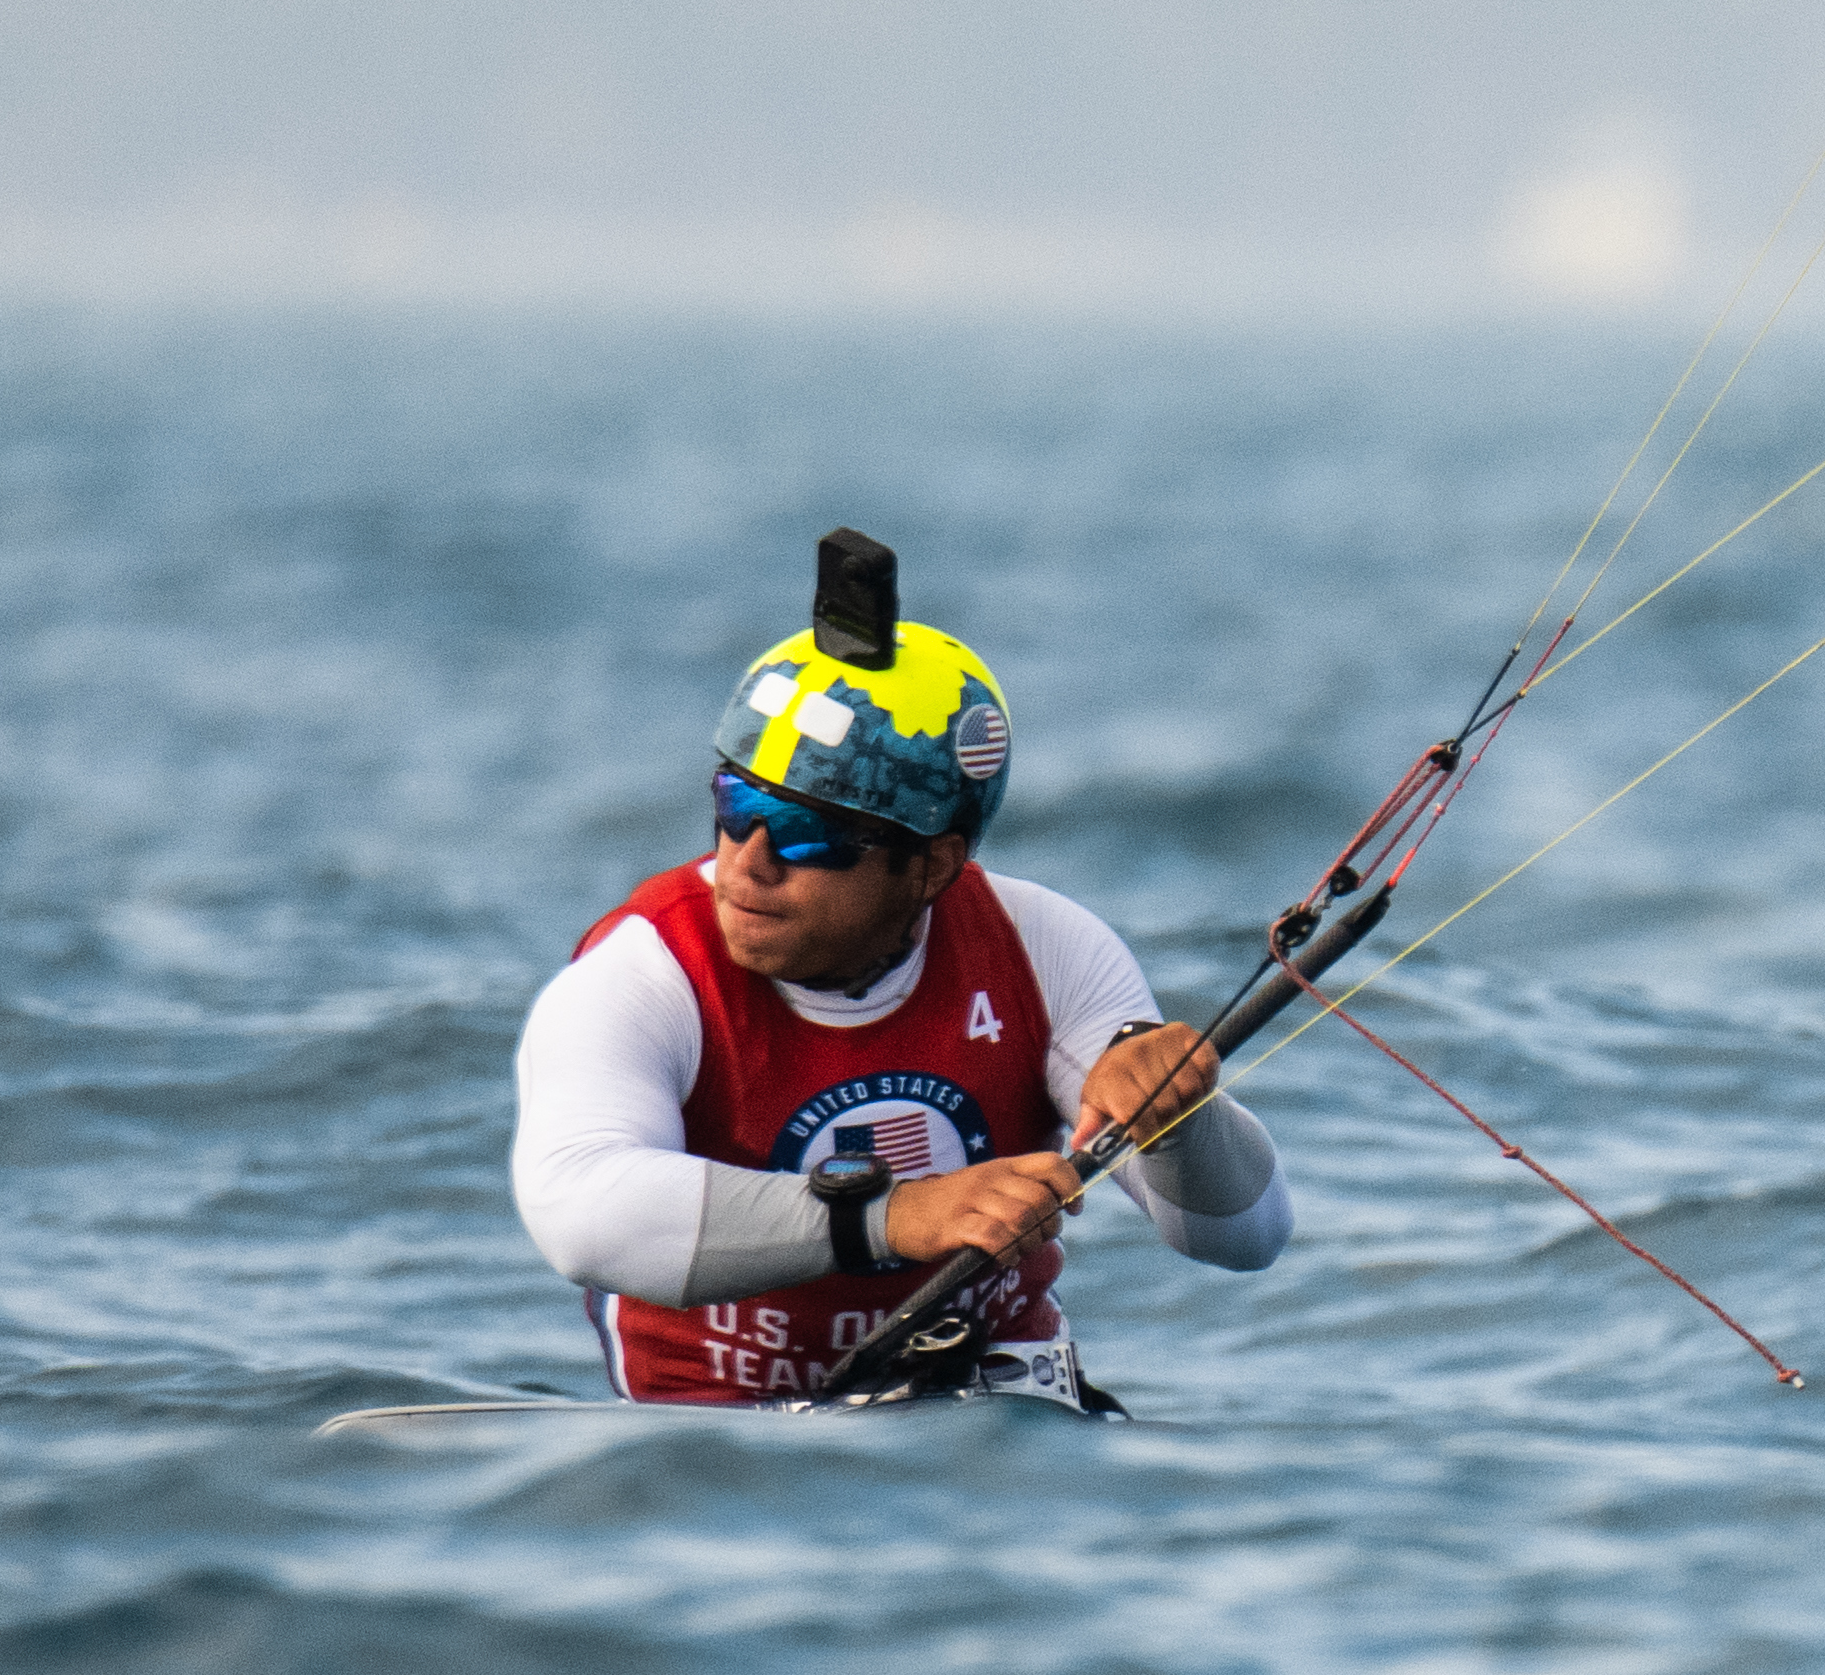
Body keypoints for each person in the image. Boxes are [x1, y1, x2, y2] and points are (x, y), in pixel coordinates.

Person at [512, 529, 1293, 1408]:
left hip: (1001, 1422)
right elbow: (578, 1211)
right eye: (735, 804)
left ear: (931, 865)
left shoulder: (1045, 947)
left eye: (809, 832)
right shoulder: (646, 971)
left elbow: (1244, 1237)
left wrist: (1184, 1121)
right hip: (724, 1451)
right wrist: (892, 1219)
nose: (748, 861)